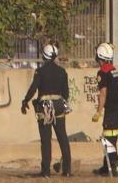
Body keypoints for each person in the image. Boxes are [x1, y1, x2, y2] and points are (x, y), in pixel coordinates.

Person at [21, 43, 72, 178]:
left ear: (44, 56)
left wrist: (25, 101)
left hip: (45, 108)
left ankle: (46, 171)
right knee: (62, 137)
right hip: (59, 106)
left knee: (46, 139)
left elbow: (33, 88)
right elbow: (66, 94)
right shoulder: (62, 72)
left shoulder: (40, 71)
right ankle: (67, 170)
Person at [92, 42, 118, 176]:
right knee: (110, 136)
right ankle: (106, 167)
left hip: (112, 109)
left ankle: (115, 166)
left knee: (108, 139)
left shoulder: (103, 72)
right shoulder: (112, 69)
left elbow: (103, 93)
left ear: (99, 56)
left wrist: (98, 112)